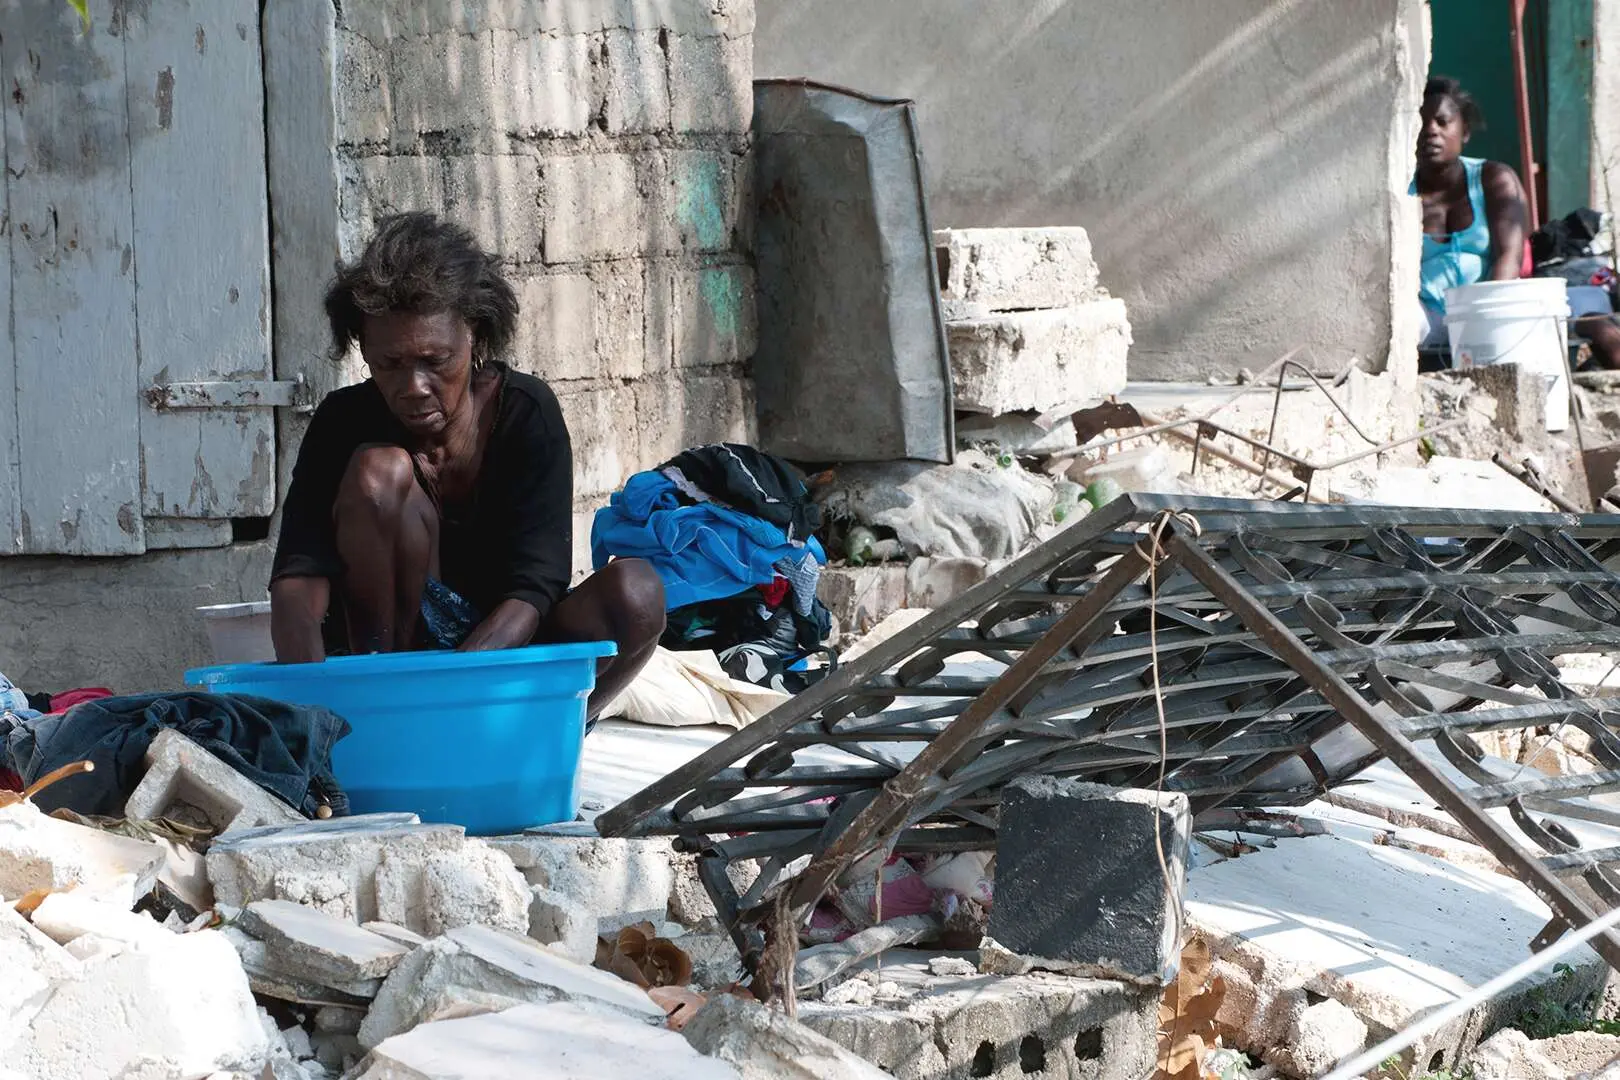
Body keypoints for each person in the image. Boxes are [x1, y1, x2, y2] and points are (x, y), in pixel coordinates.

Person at [268, 212, 665, 716]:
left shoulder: (526, 413)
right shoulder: (342, 422)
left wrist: (453, 696)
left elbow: (535, 585)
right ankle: (383, 705)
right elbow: (297, 579)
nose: (413, 387)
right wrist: (320, 713)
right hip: (384, 662)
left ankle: (558, 729)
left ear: (474, 336)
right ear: (364, 349)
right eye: (389, 364)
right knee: (378, 474)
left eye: (435, 361)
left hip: (501, 652)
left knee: (638, 592)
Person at [1414, 77, 1531, 350]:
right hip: (1425, 317)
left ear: (1464, 131)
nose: (1431, 130)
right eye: (1420, 123)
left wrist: (1478, 321)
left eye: (1442, 122)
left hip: (1487, 309)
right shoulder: (1400, 192)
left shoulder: (1494, 179)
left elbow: (1509, 258)